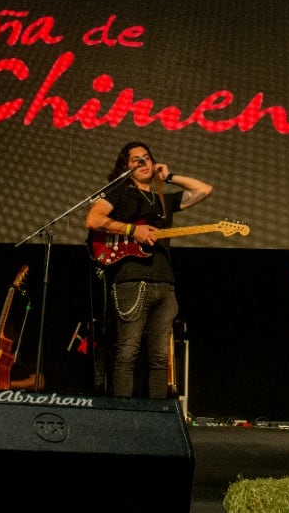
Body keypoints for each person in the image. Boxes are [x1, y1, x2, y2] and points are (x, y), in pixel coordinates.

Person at [84, 141, 212, 399]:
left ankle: (157, 416)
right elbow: (93, 220)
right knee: (128, 353)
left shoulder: (162, 199)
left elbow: (204, 189)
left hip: (165, 283)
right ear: (125, 167)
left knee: (159, 357)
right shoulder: (121, 192)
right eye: (135, 160)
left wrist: (171, 177)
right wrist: (133, 230)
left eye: (147, 158)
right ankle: (121, 413)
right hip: (131, 280)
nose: (143, 163)